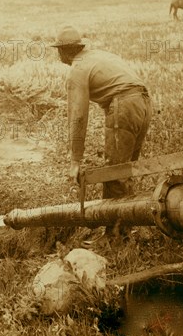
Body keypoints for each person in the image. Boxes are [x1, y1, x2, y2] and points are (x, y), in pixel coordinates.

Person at [52, 25, 152, 240]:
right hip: (144, 103)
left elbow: (78, 117)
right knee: (126, 170)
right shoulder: (99, 55)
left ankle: (115, 236)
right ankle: (127, 227)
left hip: (124, 106)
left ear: (63, 51)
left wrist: (75, 161)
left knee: (115, 172)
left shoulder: (77, 70)